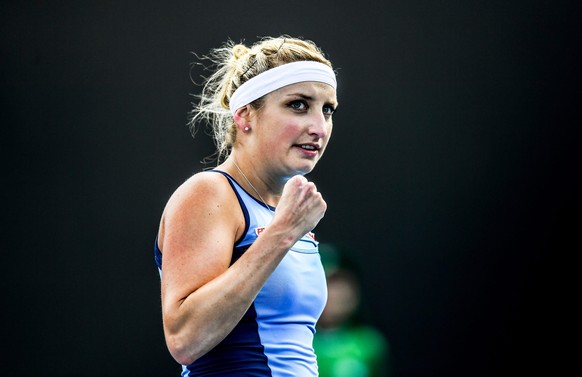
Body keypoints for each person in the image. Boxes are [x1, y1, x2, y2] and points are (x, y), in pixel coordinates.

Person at [154, 35, 339, 376]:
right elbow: (184, 340)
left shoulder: (284, 212)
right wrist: (282, 233)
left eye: (327, 109)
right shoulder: (209, 192)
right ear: (245, 116)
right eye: (298, 104)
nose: (319, 127)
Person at [314, 244, 392, 377]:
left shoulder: (369, 343)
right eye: (330, 284)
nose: (338, 294)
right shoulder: (299, 341)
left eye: (344, 284)